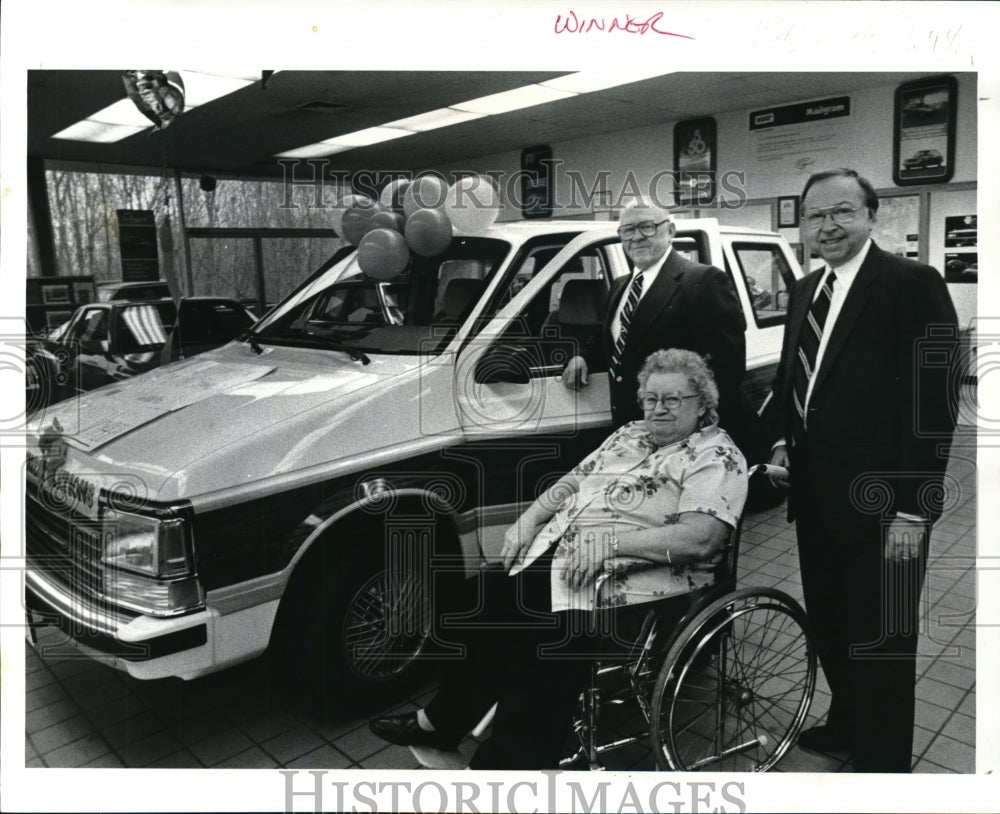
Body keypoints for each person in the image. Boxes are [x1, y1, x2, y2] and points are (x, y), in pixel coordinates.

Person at [371, 349, 748, 769]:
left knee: (546, 640)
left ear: (702, 405)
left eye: (673, 399)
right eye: (651, 398)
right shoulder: (629, 433)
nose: (658, 409)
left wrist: (610, 543)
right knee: (476, 601)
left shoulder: (717, 456)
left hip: (636, 590)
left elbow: (702, 539)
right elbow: (574, 480)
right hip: (566, 561)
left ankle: (510, 764)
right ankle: (443, 720)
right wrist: (529, 520)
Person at [765, 168, 958, 773]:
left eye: (842, 212)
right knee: (833, 626)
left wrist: (913, 509)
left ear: (873, 216)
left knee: (886, 643)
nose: (828, 226)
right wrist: (780, 444)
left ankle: (882, 765)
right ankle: (848, 722)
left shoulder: (912, 283)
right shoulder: (805, 289)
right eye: (815, 216)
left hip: (889, 510)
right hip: (817, 504)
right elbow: (797, 382)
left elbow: (935, 405)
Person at [561, 200, 748, 442]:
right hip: (631, 427)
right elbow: (613, 336)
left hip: (682, 432)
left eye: (646, 227)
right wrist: (583, 356)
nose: (636, 237)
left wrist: (694, 431)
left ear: (670, 231)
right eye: (627, 230)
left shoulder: (704, 281)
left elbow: (726, 369)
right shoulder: (620, 285)